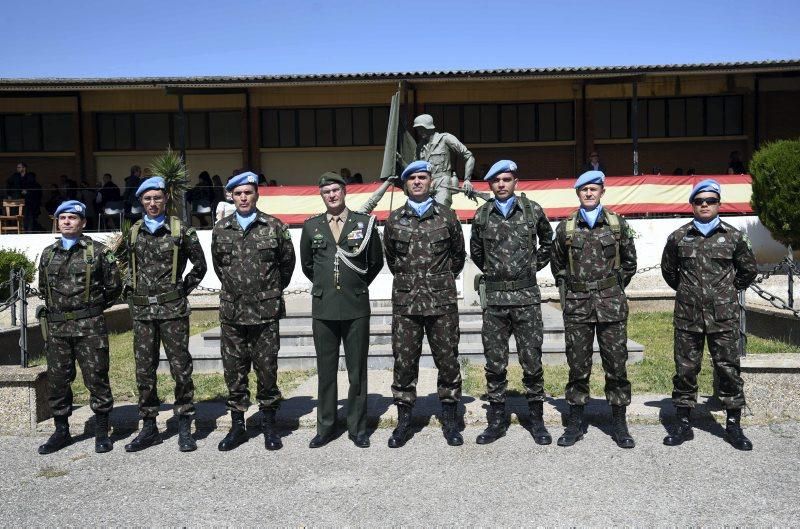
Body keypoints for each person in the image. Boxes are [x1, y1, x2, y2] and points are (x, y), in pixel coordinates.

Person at [660, 179, 757, 450]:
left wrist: (724, 293)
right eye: (699, 201)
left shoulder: (734, 237)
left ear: (718, 204)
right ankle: (682, 424)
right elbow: (669, 272)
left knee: (727, 369)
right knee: (686, 370)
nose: (704, 205)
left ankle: (734, 426)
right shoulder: (679, 237)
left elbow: (748, 271)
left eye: (710, 200)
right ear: (692, 204)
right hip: (688, 317)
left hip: (723, 317)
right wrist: (690, 293)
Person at [550, 170, 637, 448]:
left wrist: (610, 287)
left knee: (616, 365)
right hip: (578, 307)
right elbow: (558, 265)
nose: (589, 193)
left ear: (602, 192)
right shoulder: (566, 228)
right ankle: (575, 423)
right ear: (578, 193)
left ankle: (619, 423)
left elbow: (630, 262)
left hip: (611, 305)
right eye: (584, 189)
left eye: (594, 189)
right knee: (577, 366)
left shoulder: (617, 225)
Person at [470, 160, 554, 445]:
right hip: (495, 301)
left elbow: (549, 242)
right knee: (495, 363)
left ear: (515, 181)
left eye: (506, 179)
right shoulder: (482, 215)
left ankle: (537, 419)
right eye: (496, 181)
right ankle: (496, 420)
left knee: (532, 360)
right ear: (490, 185)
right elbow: (477, 253)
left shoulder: (532, 211)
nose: (502, 184)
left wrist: (532, 266)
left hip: (526, 298)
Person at [383, 160, 466, 447]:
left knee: (448, 362)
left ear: (430, 182)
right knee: (404, 363)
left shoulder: (446, 217)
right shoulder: (394, 219)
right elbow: (392, 259)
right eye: (412, 178)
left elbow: (458, 256)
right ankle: (404, 422)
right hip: (407, 305)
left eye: (422, 177)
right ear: (405, 184)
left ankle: (451, 422)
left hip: (441, 303)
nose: (417, 182)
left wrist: (437, 281)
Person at [211, 172, 295, 451]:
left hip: (265, 311)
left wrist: (267, 291)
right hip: (233, 313)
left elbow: (286, 266)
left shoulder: (274, 226)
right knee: (234, 371)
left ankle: (269, 424)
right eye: (238, 194)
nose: (244, 198)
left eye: (248, 193)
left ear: (257, 194)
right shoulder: (221, 229)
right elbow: (219, 267)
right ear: (232, 197)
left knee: (267, 369)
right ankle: (238, 425)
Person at [123, 176, 207, 453]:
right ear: (141, 202)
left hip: (172, 311)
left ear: (165, 200)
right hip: (144, 313)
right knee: (144, 370)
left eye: (157, 198)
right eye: (147, 199)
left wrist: (181, 289)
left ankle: (184, 424)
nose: (152, 203)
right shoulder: (133, 232)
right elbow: (124, 265)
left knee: (180, 367)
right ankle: (149, 426)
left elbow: (199, 265)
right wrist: (129, 290)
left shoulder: (180, 230)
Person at [300, 172, 384, 448]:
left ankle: (357, 428)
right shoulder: (312, 227)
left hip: (356, 305)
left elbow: (375, 262)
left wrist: (355, 285)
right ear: (321, 195)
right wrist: (328, 286)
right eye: (326, 192)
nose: (332, 195)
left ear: (345, 192)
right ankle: (325, 426)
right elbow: (308, 266)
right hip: (323, 308)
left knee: (356, 370)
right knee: (326, 370)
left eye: (336, 190)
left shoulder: (364, 223)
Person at [36, 200, 122, 454]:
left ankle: (101, 431)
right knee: (58, 381)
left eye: (72, 218)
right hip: (58, 329)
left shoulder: (97, 252)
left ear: (83, 222)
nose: (66, 221)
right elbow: (44, 289)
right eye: (62, 218)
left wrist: (89, 310)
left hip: (89, 327)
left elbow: (114, 287)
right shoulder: (48, 253)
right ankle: (61, 431)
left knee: (96, 378)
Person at [413, 114, 475, 208]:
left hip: (443, 184)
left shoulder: (445, 138)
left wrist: (467, 180)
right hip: (426, 186)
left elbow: (469, 156)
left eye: (422, 128)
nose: (420, 131)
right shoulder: (419, 147)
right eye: (418, 129)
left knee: (441, 213)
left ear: (429, 127)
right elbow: (415, 169)